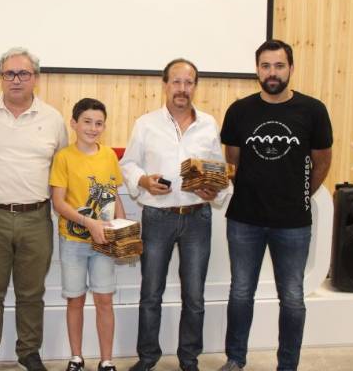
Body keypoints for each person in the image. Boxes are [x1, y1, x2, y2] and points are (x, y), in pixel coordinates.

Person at [217, 40, 332, 371]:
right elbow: (233, 158)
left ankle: (287, 365)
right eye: (265, 66)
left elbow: (322, 160)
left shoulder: (312, 110)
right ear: (257, 69)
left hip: (293, 223)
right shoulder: (240, 111)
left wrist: (304, 193)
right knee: (241, 293)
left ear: (291, 69)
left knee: (293, 298)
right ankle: (235, 360)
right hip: (244, 220)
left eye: (279, 66)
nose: (272, 72)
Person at [120, 59, 227, 371]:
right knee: (150, 293)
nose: (182, 89)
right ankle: (148, 357)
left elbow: (218, 169)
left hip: (198, 217)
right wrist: (142, 180)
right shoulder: (146, 123)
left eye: (189, 82)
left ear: (195, 86)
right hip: (157, 217)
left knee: (194, 296)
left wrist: (215, 191)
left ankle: (189, 359)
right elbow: (128, 164)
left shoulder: (208, 123)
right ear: (165, 85)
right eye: (176, 82)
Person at [0, 47, 68, 371]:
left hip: (36, 218)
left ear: (35, 78)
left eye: (23, 73)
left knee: (31, 292)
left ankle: (29, 351)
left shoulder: (53, 119)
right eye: (9, 73)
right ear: (0, 77)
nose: (16, 80)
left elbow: (63, 169)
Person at [49, 98, 125, 371]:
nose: (93, 128)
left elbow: (114, 194)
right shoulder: (64, 158)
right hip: (73, 242)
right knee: (76, 299)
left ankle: (106, 360)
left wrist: (122, 225)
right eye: (87, 122)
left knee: (104, 299)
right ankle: (76, 358)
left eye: (99, 123)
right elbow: (58, 203)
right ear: (74, 123)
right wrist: (88, 223)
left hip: (104, 242)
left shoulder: (109, 156)